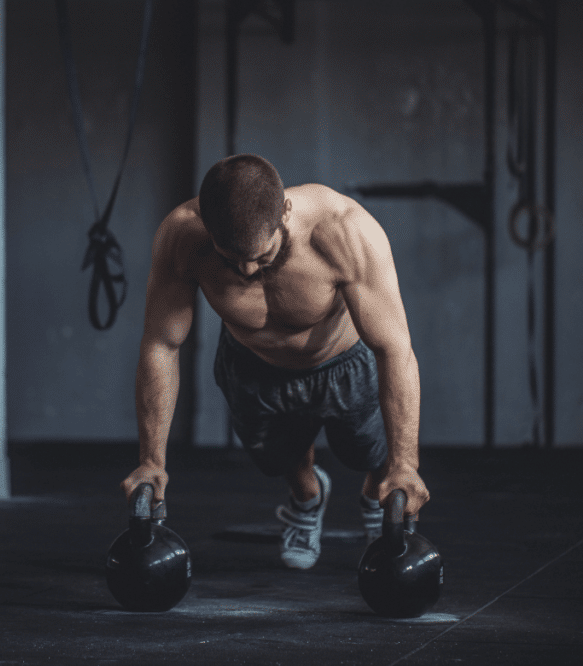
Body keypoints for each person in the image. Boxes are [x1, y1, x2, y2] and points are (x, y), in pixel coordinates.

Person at [121, 154, 430, 569]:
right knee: (278, 461)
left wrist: (405, 465)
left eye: (262, 256)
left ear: (285, 210)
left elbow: (394, 348)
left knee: (371, 455)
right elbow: (161, 344)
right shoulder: (182, 236)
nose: (246, 270)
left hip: (342, 365)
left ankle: (375, 497)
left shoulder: (343, 229)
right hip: (252, 368)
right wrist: (150, 462)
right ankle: (307, 498)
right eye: (230, 258)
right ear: (206, 226)